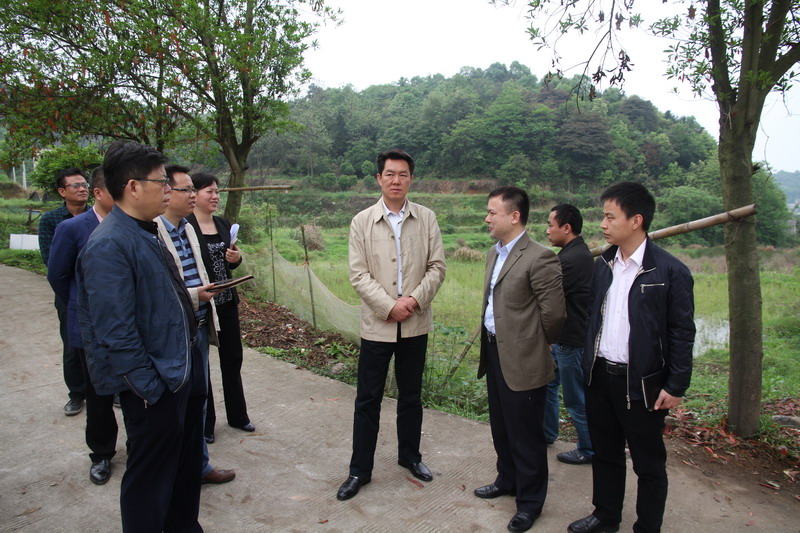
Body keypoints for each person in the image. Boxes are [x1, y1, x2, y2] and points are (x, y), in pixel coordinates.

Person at [76, 141, 205, 532]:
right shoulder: (109, 245)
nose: (169, 190)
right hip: (154, 388)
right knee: (150, 478)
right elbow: (115, 332)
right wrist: (150, 389)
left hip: (176, 375)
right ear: (133, 187)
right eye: (161, 182)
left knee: (182, 469)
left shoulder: (146, 232)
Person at [568, 182, 695, 533]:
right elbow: (592, 317)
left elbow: (682, 332)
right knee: (605, 453)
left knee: (648, 463)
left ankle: (647, 526)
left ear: (636, 220)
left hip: (642, 384)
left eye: (610, 217)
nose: (603, 224)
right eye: (603, 216)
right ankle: (605, 515)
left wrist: (676, 384)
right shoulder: (603, 265)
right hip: (600, 377)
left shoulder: (670, 272)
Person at [336, 149, 446, 501]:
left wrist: (412, 301)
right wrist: (389, 306)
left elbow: (437, 267)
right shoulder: (362, 221)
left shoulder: (426, 218)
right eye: (390, 174)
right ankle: (359, 470)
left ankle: (410, 456)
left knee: (411, 396)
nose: (396, 180)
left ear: (411, 179)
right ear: (379, 179)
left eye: (403, 174)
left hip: (415, 323)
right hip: (377, 325)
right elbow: (358, 274)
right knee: (368, 398)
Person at [474, 186, 566, 533]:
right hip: (494, 351)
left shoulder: (540, 257)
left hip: (524, 357)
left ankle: (530, 503)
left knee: (526, 434)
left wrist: (535, 343)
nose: (487, 218)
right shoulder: (493, 253)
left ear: (514, 216)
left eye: (492, 212)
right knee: (501, 425)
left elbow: (554, 315)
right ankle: (507, 479)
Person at [158, 165, 236, 485]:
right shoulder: (152, 232)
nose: (193, 195)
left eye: (194, 189)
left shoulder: (186, 229)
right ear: (166, 191)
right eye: (186, 189)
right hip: (175, 329)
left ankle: (200, 466)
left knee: (197, 401)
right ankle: (174, 471)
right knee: (174, 404)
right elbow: (160, 290)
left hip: (200, 322)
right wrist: (195, 295)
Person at [47, 168, 119, 485]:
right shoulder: (73, 228)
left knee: (132, 392)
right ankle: (101, 453)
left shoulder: (134, 225)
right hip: (90, 328)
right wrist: (82, 307)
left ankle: (139, 446)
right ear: (99, 193)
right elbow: (58, 275)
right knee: (98, 394)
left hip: (127, 325)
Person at [186, 172, 254, 442]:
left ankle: (238, 416)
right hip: (202, 306)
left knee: (232, 359)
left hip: (226, 303)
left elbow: (230, 262)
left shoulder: (222, 224)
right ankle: (206, 424)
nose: (215, 196)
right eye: (209, 192)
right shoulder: (186, 226)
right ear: (194, 194)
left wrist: (236, 259)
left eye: (217, 191)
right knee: (201, 366)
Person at [543, 204, 595, 465]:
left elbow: (547, 297)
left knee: (575, 398)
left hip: (571, 341)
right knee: (550, 385)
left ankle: (589, 448)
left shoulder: (570, 260)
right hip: (564, 338)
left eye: (550, 225)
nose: (547, 230)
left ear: (566, 227)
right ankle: (547, 433)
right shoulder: (576, 254)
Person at [39, 167, 90, 416]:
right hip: (68, 291)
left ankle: (109, 389)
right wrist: (68, 294)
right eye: (76, 186)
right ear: (62, 192)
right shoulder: (51, 220)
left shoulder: (96, 216)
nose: (82, 189)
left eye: (85, 185)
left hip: (97, 291)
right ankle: (77, 393)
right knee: (72, 345)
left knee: (103, 341)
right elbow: (52, 263)